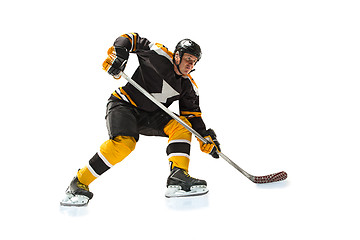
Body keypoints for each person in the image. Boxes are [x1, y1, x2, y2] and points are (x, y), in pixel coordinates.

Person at [60, 32, 221, 206]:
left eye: (194, 61)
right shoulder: (158, 55)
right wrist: (119, 54)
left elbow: (192, 115)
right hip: (124, 104)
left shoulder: (188, 86)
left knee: (183, 125)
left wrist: (204, 136)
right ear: (177, 55)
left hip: (150, 115)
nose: (190, 64)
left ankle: (178, 176)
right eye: (188, 58)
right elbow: (131, 38)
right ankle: (79, 182)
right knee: (124, 144)